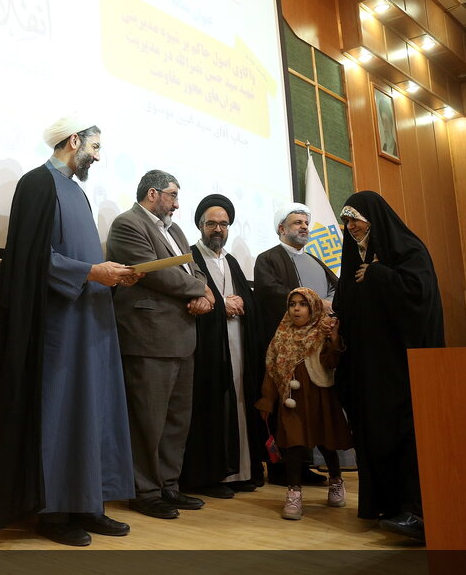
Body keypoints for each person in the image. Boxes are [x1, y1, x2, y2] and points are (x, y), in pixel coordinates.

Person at [0, 114, 137, 547]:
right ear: (74, 140)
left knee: (93, 409)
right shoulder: (37, 183)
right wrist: (90, 271)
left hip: (91, 317)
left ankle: (89, 504)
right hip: (58, 323)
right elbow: (30, 259)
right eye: (95, 147)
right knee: (60, 411)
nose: (98, 157)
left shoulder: (76, 191)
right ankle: (53, 513)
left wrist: (111, 274)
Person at [334, 191, 444, 543]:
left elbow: (420, 294)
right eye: (346, 221)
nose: (350, 227)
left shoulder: (408, 250)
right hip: (368, 367)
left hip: (402, 366)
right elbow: (345, 302)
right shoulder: (353, 256)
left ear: (374, 218)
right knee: (374, 431)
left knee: (406, 433)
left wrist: (380, 274)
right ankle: (384, 504)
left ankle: (418, 511)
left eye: (355, 219)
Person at [106, 170, 214, 520]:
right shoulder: (128, 224)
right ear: (152, 194)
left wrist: (203, 292)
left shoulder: (176, 231)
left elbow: (194, 270)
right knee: (147, 423)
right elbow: (152, 271)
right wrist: (201, 291)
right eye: (172, 195)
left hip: (182, 335)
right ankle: (145, 492)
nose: (177, 204)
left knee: (176, 421)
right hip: (148, 337)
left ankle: (168, 485)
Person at [180, 194, 266, 499]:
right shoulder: (189, 257)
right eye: (212, 223)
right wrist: (221, 306)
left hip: (237, 347)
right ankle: (209, 476)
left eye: (224, 224)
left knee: (240, 404)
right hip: (206, 351)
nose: (218, 229)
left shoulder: (231, 261)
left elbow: (249, 303)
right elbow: (188, 302)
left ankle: (240, 471)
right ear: (200, 226)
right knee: (212, 408)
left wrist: (242, 304)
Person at [253, 203, 337, 487]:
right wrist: (314, 302)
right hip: (286, 349)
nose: (304, 227)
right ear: (281, 228)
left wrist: (328, 305)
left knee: (312, 409)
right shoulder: (268, 258)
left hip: (315, 349)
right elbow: (269, 292)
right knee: (287, 410)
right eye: (297, 222)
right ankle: (282, 471)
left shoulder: (314, 259)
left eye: (305, 223)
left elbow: (335, 289)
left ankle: (306, 467)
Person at [256, 288, 353, 520]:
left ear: (313, 308)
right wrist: (267, 400)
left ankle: (336, 481)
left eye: (302, 304)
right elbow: (272, 370)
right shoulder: (281, 336)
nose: (296, 309)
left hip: (319, 398)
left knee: (326, 443)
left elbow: (331, 362)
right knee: (294, 445)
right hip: (292, 402)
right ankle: (294, 493)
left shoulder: (322, 332)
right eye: (292, 304)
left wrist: (334, 339)